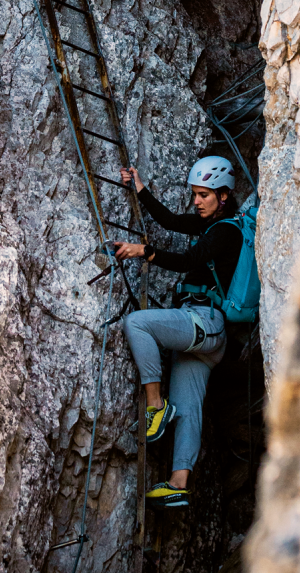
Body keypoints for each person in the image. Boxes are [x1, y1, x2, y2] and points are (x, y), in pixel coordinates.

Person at [113, 156, 243, 510]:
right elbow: (169, 220)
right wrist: (139, 188)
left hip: (205, 321)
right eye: (195, 194)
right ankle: (178, 483)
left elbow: (190, 261)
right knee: (188, 409)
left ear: (224, 196)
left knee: (137, 323)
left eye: (204, 195)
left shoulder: (227, 231)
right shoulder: (208, 225)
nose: (197, 201)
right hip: (204, 337)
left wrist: (145, 252)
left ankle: (156, 405)